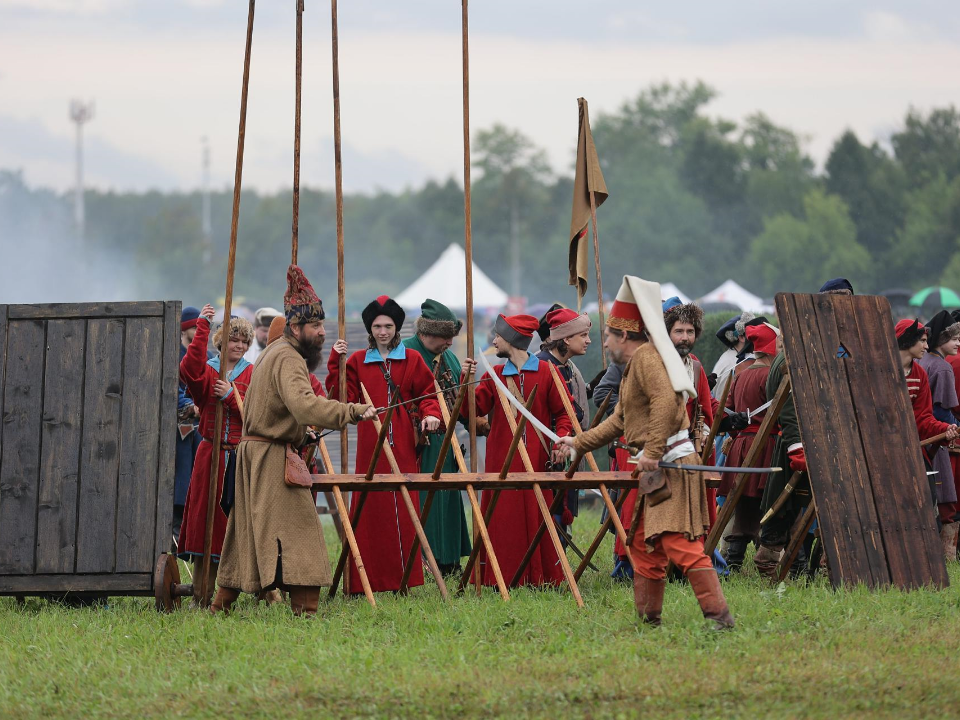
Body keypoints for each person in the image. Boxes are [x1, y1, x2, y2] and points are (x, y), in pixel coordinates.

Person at [559, 276, 733, 629]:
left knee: (677, 543)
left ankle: (719, 618)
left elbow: (667, 404)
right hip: (656, 466)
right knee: (641, 545)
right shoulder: (635, 366)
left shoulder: (647, 359)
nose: (604, 342)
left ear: (624, 335)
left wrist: (652, 450)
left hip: (669, 463)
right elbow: (619, 421)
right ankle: (649, 620)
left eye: (608, 335)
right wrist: (576, 442)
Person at [213, 265, 375, 615]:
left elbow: (287, 410)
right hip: (269, 457)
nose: (321, 332)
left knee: (245, 531)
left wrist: (303, 433)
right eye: (315, 327)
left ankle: (219, 605)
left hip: (256, 453)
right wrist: (352, 411)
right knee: (301, 530)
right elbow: (304, 405)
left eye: (322, 325)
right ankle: (305, 609)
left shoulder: (275, 352)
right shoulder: (287, 357)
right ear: (295, 328)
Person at [326, 295, 442, 594]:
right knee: (370, 508)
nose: (382, 331)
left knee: (404, 507)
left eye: (388, 325)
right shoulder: (355, 361)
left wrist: (430, 415)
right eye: (377, 326)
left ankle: (405, 581)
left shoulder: (413, 360)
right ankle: (369, 581)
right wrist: (335, 361)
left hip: (403, 440)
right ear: (370, 328)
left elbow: (428, 394)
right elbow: (341, 399)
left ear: (397, 327)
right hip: (370, 442)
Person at [460, 313, 574, 588]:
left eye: (498, 336)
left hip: (536, 461)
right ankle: (502, 578)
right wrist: (467, 380)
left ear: (510, 340)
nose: (494, 340)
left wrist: (561, 440)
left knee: (539, 518)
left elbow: (564, 415)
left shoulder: (548, 373)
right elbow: (470, 411)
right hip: (502, 462)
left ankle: (540, 577)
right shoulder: (494, 375)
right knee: (502, 521)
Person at [177, 304, 254, 605]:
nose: (239, 345)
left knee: (239, 523)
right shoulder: (208, 369)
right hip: (209, 457)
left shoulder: (253, 374)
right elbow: (189, 371)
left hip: (239, 456)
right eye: (233, 339)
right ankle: (202, 593)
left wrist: (231, 396)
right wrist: (203, 326)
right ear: (222, 341)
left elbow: (257, 415)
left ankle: (252, 590)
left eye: (244, 341)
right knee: (204, 524)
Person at [402, 298, 472, 575]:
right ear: (425, 333)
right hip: (416, 444)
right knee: (422, 500)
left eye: (451, 337)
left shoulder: (450, 358)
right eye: (444, 337)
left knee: (447, 500)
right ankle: (420, 562)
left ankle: (448, 560)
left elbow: (461, 405)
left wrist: (467, 380)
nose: (449, 343)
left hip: (446, 443)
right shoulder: (404, 352)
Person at [718, 323, 780, 572]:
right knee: (770, 506)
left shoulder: (741, 374)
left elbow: (729, 415)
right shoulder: (770, 376)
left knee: (743, 506)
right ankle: (772, 562)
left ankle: (733, 563)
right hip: (764, 445)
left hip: (741, 446)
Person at [897, 319, 959, 529]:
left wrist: (945, 429)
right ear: (907, 341)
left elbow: (923, 418)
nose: (926, 345)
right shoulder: (881, 371)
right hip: (881, 450)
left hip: (912, 449)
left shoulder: (919, 374)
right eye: (922, 341)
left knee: (926, 497)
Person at [537, 307, 592, 534]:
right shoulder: (542, 366)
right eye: (583, 336)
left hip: (564, 450)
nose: (588, 341)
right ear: (566, 339)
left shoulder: (566, 366)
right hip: (546, 452)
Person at [919, 310, 960, 558]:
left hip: (928, 437)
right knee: (946, 502)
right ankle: (946, 556)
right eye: (954, 338)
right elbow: (942, 412)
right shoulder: (942, 368)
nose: (958, 342)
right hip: (939, 438)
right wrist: (951, 427)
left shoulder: (925, 362)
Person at [174, 306, 205, 541]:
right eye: (195, 326)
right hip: (179, 433)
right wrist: (192, 406)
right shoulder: (173, 356)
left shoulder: (203, 357)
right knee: (180, 487)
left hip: (199, 432)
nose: (198, 330)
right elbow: (175, 392)